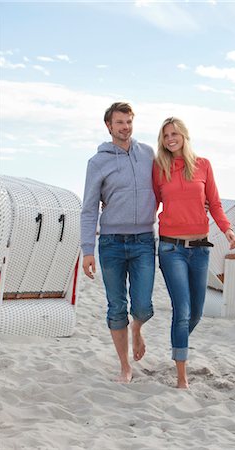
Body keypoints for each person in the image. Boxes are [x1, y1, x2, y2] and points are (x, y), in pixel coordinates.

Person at [152, 117, 235, 389]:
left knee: (197, 312)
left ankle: (178, 345)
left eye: (174, 133)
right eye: (166, 135)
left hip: (199, 249)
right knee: (183, 310)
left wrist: (227, 230)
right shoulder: (159, 168)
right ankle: (181, 378)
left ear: (185, 135)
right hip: (170, 248)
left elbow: (215, 203)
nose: (170, 139)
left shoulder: (203, 166)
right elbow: (149, 203)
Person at [81, 102, 156, 383]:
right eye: (120, 122)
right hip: (111, 242)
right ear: (109, 126)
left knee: (142, 306)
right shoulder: (97, 162)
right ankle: (125, 366)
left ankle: (137, 329)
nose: (125, 127)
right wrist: (87, 250)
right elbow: (89, 209)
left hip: (144, 241)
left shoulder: (148, 154)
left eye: (129, 121)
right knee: (116, 306)